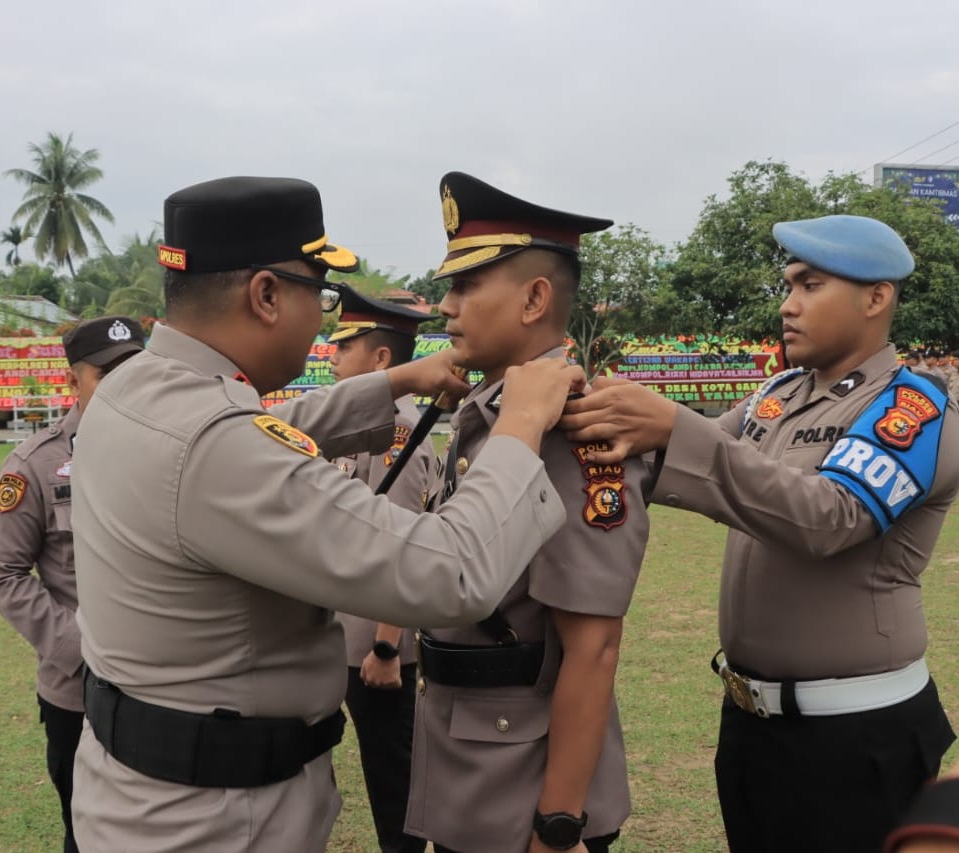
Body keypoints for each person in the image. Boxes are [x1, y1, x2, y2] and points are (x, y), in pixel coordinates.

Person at [68, 176, 586, 852]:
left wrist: (398, 379)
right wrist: (520, 421)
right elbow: (448, 572)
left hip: (141, 793)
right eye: (323, 293)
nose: (325, 317)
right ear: (266, 294)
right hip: (215, 824)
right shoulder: (214, 444)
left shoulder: (134, 384)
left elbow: (261, 427)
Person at [560, 214, 959, 853]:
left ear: (876, 297)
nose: (788, 304)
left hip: (857, 737)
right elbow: (687, 467)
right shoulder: (778, 396)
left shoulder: (912, 406)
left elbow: (833, 517)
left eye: (811, 285)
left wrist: (674, 427)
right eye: (788, 286)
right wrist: (589, 421)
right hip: (752, 724)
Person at [404, 172, 651, 853]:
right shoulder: (492, 412)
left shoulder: (574, 425)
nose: (446, 306)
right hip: (474, 760)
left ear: (535, 298)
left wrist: (559, 823)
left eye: (465, 286)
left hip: (528, 791)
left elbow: (593, 647)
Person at [0, 315, 146, 853]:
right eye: (107, 374)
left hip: (166, 689)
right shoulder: (35, 465)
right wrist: (84, 649)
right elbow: (2, 574)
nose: (126, 384)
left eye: (136, 370)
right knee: (89, 834)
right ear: (73, 383)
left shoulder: (170, 448)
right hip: (79, 694)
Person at [327, 286, 434, 853]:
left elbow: (403, 548)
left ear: (381, 359)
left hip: (377, 650)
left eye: (344, 346)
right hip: (344, 640)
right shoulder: (360, 425)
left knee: (397, 792)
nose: (331, 356)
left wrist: (389, 649)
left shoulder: (399, 434)